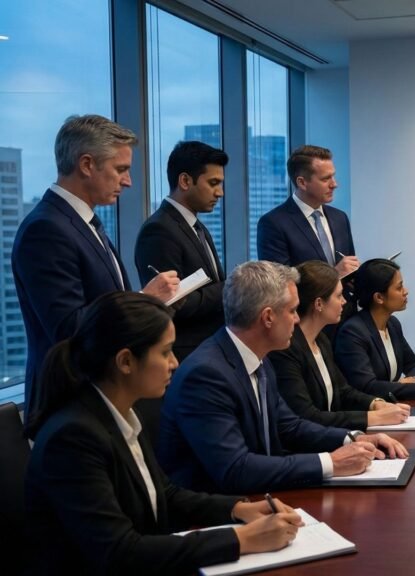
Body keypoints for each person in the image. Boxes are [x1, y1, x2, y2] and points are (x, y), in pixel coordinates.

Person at [25, 292, 301, 575]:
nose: (175, 363)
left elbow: (162, 494)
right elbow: (120, 553)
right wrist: (241, 539)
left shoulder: (120, 412)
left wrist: (237, 509)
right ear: (126, 362)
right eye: (165, 352)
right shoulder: (73, 438)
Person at [158, 261, 407, 494]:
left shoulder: (258, 356)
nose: (298, 319)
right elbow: (235, 469)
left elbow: (288, 425)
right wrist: (330, 462)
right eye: (293, 310)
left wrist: (354, 438)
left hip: (260, 495)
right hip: (217, 513)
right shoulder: (206, 374)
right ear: (268, 317)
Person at [13, 115, 179, 415]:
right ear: (87, 165)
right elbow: (68, 327)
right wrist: (144, 301)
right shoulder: (47, 229)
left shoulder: (82, 220)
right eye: (121, 170)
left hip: (100, 395)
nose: (128, 181)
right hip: (72, 403)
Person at [268, 260, 412, 429]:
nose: (344, 301)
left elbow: (343, 390)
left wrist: (376, 403)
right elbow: (306, 416)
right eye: (338, 296)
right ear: (319, 304)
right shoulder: (287, 349)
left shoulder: (321, 339)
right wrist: (372, 417)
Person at [135, 141, 228, 361]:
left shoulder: (197, 225)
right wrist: (231, 286)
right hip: (185, 357)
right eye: (214, 183)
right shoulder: (158, 229)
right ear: (185, 181)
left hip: (207, 350)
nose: (220, 193)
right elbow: (173, 303)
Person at [336, 258, 415, 399]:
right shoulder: (353, 332)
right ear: (379, 297)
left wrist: (414, 381)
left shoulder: (392, 324)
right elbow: (367, 386)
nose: (405, 291)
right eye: (399, 287)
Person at [256, 145, 359, 277]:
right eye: (325, 179)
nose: (334, 184)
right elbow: (279, 286)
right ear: (302, 183)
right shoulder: (273, 224)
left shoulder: (340, 218)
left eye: (333, 176)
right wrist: (335, 275)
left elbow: (350, 272)